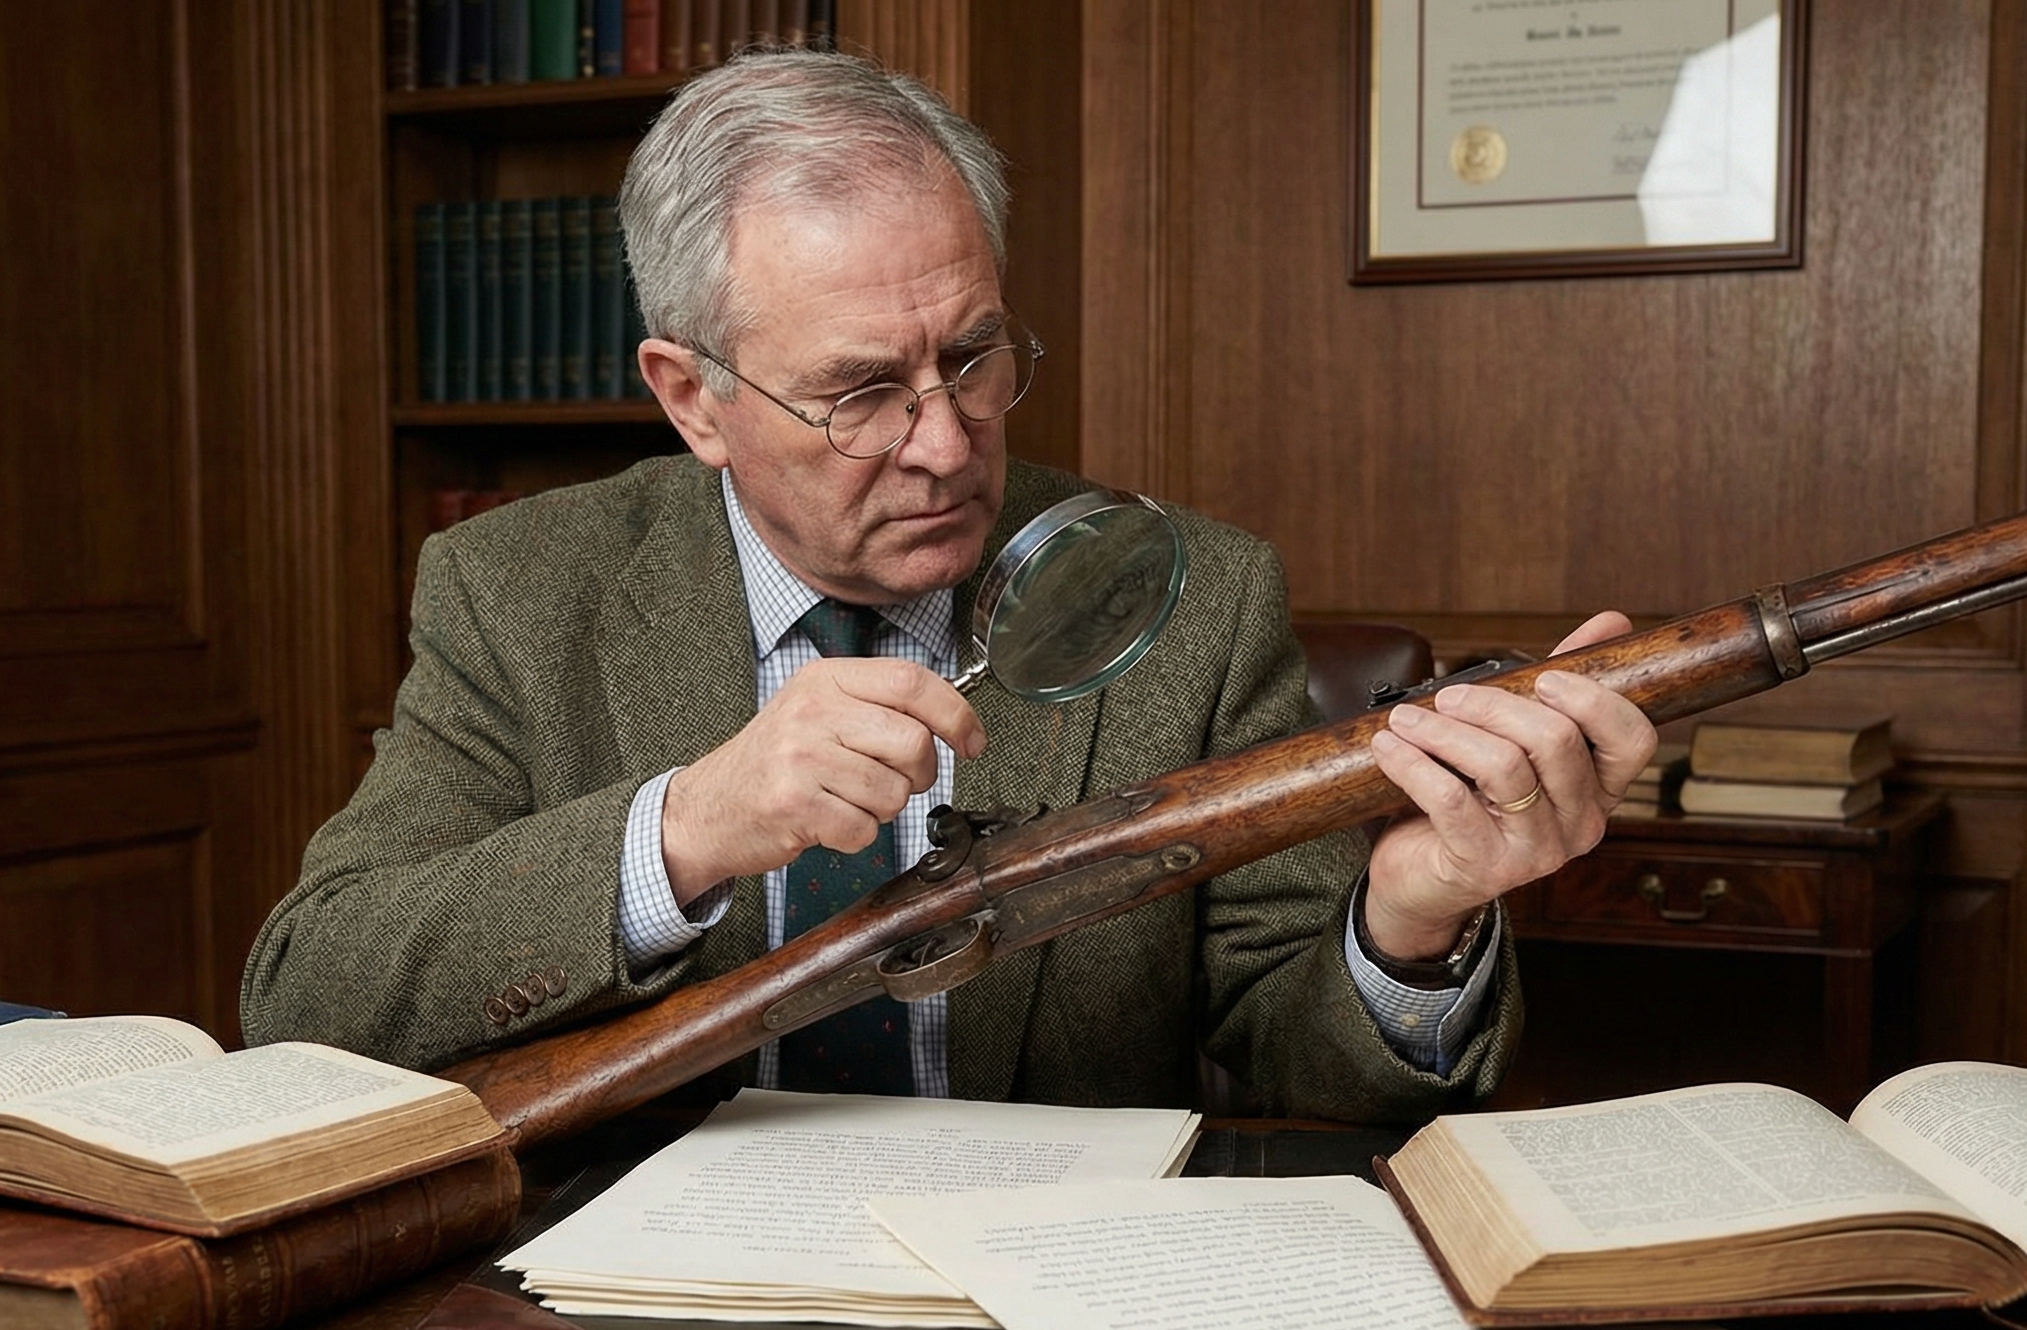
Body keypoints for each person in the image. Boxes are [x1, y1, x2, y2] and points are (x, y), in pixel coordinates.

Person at [239, 49, 1656, 1122]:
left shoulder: (1199, 600)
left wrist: (1412, 915)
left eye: (973, 358)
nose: (944, 441)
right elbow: (308, 997)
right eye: (861, 391)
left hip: (1050, 1294)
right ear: (693, 399)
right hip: (644, 1303)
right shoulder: (518, 588)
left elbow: (1301, 1072)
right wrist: (688, 827)